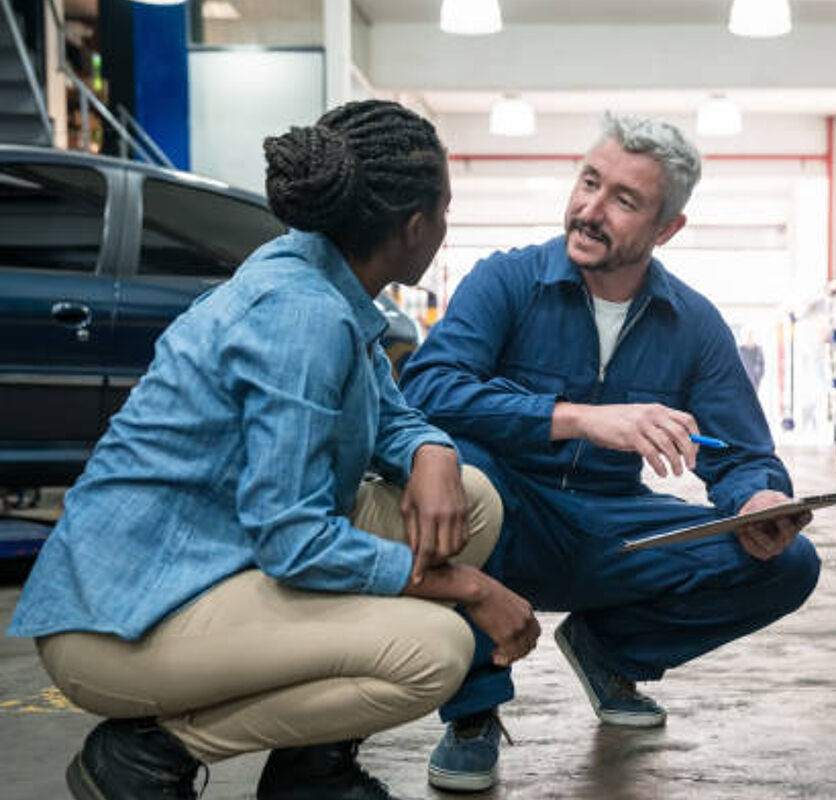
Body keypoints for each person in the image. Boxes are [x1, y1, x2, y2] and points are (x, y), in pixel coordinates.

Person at [6, 100, 540, 800]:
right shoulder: (302, 314)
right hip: (122, 621)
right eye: (444, 208)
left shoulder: (326, 280)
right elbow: (294, 540)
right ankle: (149, 754)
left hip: (217, 557)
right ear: (415, 227)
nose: (445, 225)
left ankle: (309, 771)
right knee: (430, 653)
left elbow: (386, 411)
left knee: (469, 502)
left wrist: (431, 452)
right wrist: (470, 588)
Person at [400, 113, 821, 791]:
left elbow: (742, 453)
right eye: (589, 182)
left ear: (666, 230)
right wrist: (582, 420)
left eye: (624, 201)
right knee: (465, 476)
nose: (590, 210)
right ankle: (474, 712)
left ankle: (607, 648)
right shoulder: (505, 282)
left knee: (790, 563)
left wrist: (758, 499)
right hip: (512, 515)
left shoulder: (694, 324)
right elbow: (428, 390)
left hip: (612, 530)